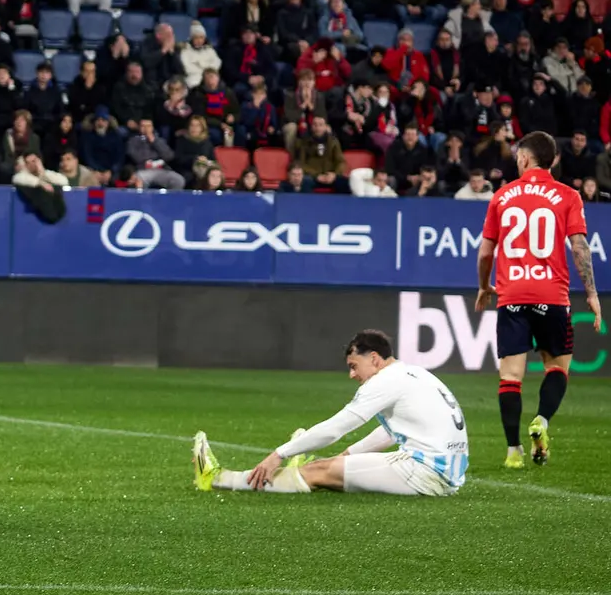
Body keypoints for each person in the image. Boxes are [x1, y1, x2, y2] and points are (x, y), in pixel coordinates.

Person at [193, 330, 468, 496]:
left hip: (425, 473)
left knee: (319, 471)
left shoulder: (385, 381)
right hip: (446, 472)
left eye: (354, 365)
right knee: (331, 468)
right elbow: (389, 433)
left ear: (374, 358)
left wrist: (278, 454)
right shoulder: (414, 373)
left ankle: (220, 479)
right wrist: (347, 455)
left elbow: (336, 428)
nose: (352, 375)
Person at [475, 131, 602, 468]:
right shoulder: (568, 195)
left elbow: (485, 252)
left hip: (512, 296)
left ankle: (513, 452)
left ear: (524, 158)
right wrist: (591, 293)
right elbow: (579, 247)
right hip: (552, 296)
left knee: (510, 377)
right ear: (554, 160)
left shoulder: (502, 196)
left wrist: (484, 285)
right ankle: (542, 420)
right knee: (557, 368)